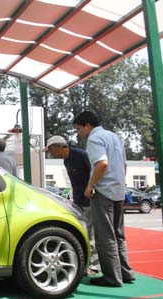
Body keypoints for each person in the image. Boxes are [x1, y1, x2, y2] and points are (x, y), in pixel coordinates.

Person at [73, 111, 135, 287]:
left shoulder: (94, 139)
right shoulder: (113, 136)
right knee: (118, 234)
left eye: (78, 128)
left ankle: (112, 277)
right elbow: (123, 164)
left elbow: (102, 163)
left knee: (104, 236)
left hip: (103, 191)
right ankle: (125, 272)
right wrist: (120, 185)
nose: (79, 133)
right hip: (118, 190)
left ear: (87, 125)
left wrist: (90, 185)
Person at [43, 135, 99, 275]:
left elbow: (94, 173)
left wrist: (91, 189)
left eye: (50, 150)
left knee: (91, 235)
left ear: (58, 147)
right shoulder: (66, 161)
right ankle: (86, 263)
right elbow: (75, 183)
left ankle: (95, 266)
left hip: (90, 201)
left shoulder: (81, 155)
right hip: (78, 202)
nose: (51, 153)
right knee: (83, 234)